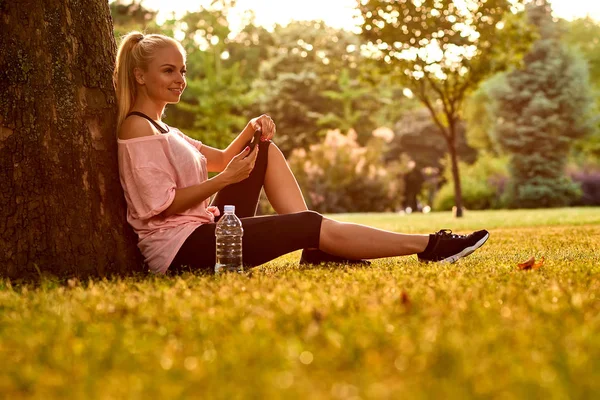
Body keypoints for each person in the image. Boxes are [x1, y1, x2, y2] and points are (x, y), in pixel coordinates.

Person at [113, 32, 490, 275]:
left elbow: (222, 160)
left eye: (182, 70)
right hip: (181, 250)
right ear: (140, 76)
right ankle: (430, 246)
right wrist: (225, 180)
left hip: (205, 230)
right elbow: (158, 205)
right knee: (308, 222)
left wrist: (251, 130)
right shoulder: (136, 127)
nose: (180, 79)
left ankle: (317, 247)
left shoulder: (167, 129)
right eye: (168, 70)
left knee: (264, 151)